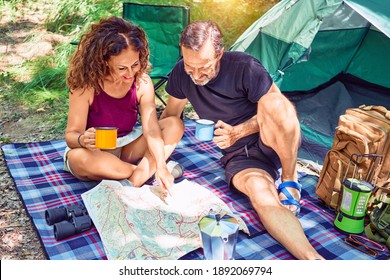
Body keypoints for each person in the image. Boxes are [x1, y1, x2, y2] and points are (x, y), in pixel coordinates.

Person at [160, 20, 324, 260]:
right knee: (263, 198)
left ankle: (290, 178)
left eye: (203, 66)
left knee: (275, 102)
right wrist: (158, 159)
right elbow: (170, 117)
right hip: (241, 158)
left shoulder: (244, 66)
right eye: (189, 67)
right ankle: (313, 260)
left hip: (274, 142)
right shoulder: (181, 74)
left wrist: (238, 131)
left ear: (219, 54)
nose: (196, 76)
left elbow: (279, 112)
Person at [64, 16, 184, 192]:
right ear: (104, 60)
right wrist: (82, 139)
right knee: (77, 158)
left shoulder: (142, 82)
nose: (130, 73)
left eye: (135, 64)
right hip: (95, 153)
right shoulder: (86, 86)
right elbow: (71, 136)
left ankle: (134, 179)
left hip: (128, 147)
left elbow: (151, 130)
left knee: (174, 124)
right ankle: (142, 173)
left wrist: (160, 163)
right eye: (122, 68)